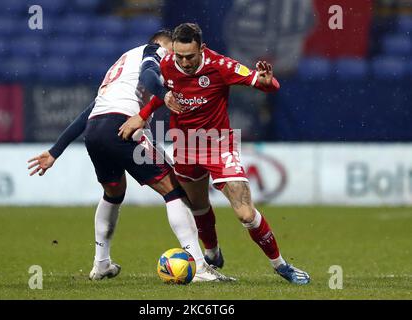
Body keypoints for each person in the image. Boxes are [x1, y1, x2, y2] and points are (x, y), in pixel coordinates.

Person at [27, 30, 232, 282]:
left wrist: (54, 151)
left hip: (96, 131)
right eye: (172, 50)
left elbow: (90, 112)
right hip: (122, 127)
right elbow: (148, 75)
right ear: (161, 44)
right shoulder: (153, 52)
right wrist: (163, 93)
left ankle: (101, 264)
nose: (176, 59)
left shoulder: (122, 65)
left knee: (113, 193)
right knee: (174, 190)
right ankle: (199, 267)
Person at [118, 23, 311, 284]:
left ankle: (281, 265)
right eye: (180, 56)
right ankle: (212, 252)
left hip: (218, 145)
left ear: (202, 49)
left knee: (245, 213)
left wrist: (268, 82)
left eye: (190, 57)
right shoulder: (168, 66)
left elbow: (266, 83)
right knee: (198, 206)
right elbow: (163, 96)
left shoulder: (221, 66)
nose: (184, 63)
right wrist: (141, 116)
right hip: (185, 144)